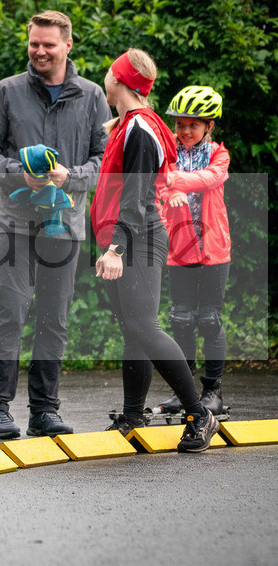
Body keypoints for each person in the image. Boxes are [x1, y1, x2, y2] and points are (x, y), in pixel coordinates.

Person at [0, 10, 110, 439]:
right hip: (14, 222)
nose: (39, 51)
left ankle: (44, 410)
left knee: (54, 318)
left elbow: (105, 160)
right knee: (10, 314)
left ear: (68, 45)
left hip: (65, 224)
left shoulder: (92, 97)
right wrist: (21, 174)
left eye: (48, 44)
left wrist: (73, 177)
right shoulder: (7, 91)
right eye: (34, 43)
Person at [92, 48, 219, 452]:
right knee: (133, 331)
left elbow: (137, 197)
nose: (105, 78)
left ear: (120, 80)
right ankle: (132, 416)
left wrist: (116, 248)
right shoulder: (129, 124)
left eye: (110, 73)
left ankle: (200, 413)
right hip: (129, 236)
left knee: (145, 326)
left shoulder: (140, 129)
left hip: (138, 238)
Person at [154, 86, 230, 415]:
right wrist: (166, 189)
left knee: (210, 319)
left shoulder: (219, 155)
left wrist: (174, 182)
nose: (185, 131)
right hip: (179, 245)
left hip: (213, 246)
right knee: (181, 319)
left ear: (209, 126)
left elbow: (211, 178)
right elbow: (156, 182)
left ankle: (212, 392)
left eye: (193, 125)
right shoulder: (167, 152)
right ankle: (183, 392)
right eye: (181, 125)